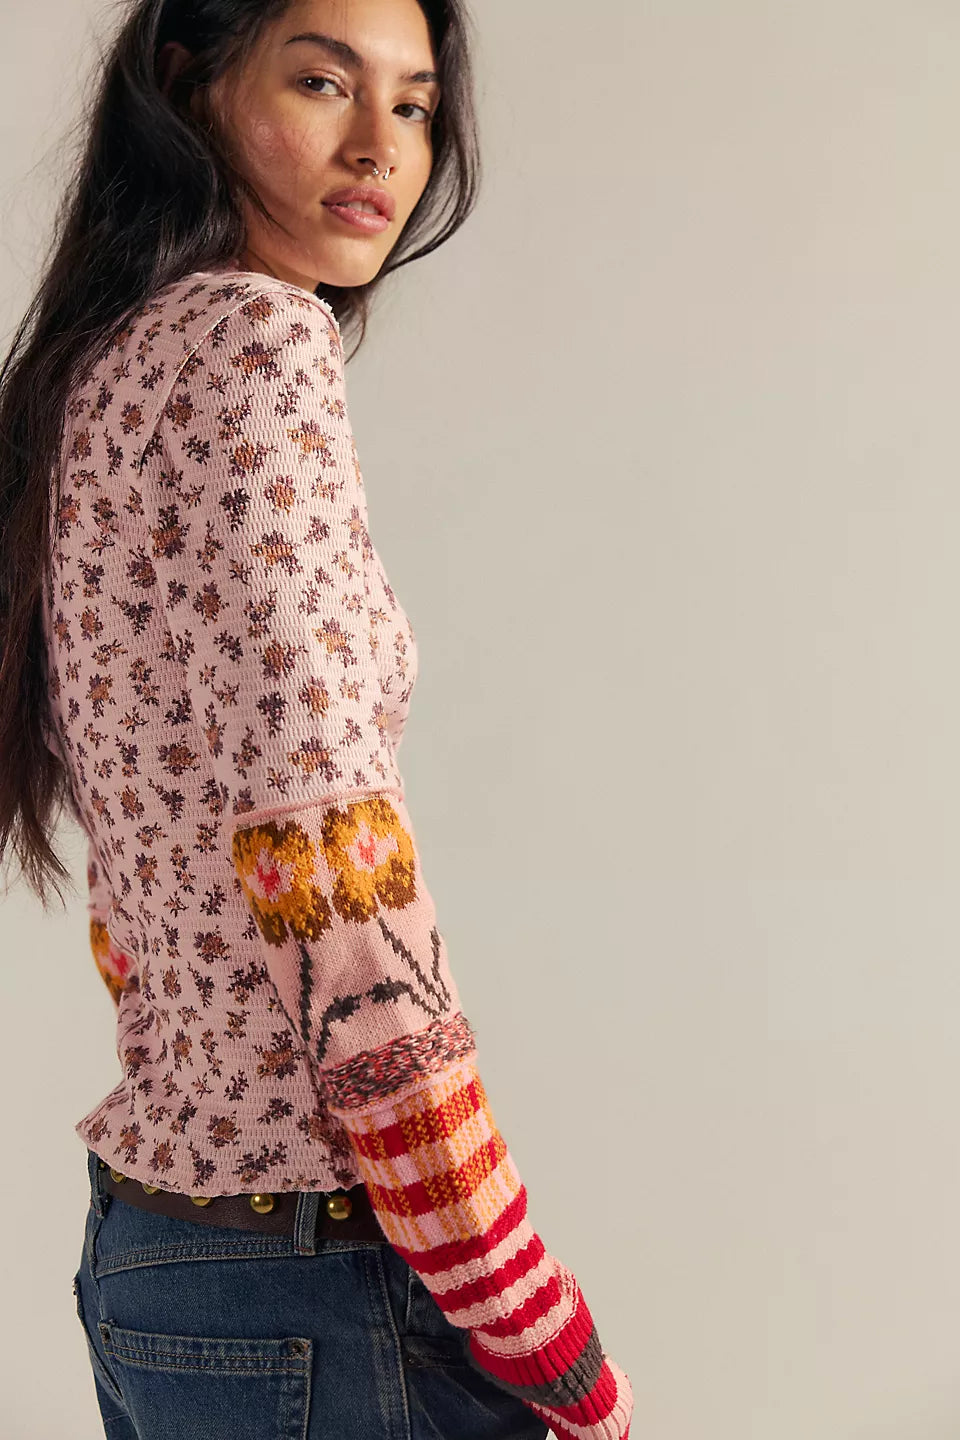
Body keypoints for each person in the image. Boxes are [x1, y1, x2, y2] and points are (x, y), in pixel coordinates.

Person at [0, 1, 634, 1436]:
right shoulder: (255, 345)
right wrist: (519, 1298)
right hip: (318, 1272)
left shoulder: (100, 370)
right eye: (322, 80)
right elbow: (329, 868)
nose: (380, 150)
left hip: (156, 1262)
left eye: (413, 105)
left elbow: (150, 877)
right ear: (188, 86)